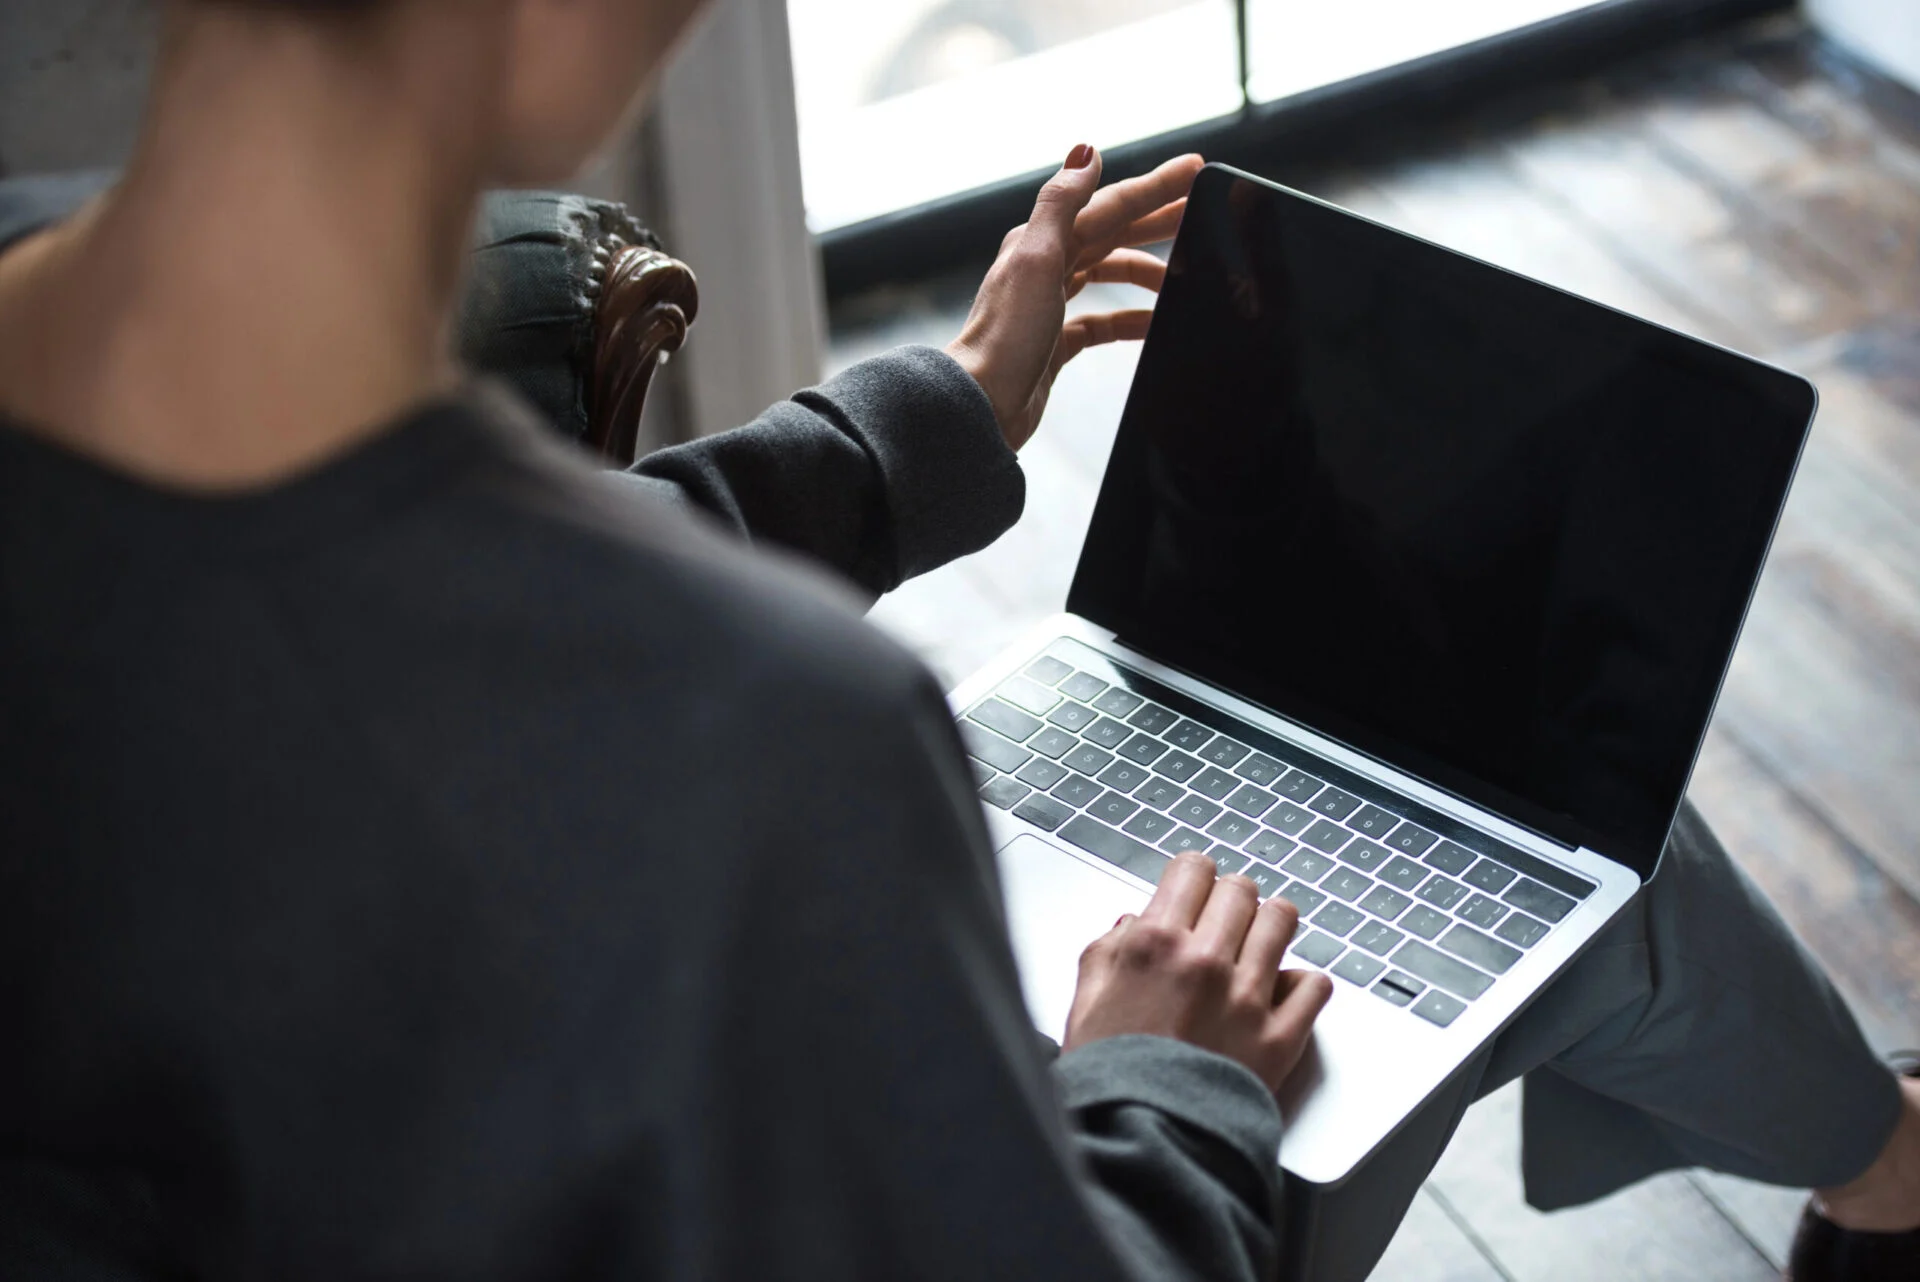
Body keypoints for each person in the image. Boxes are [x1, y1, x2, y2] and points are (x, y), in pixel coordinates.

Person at [0, 2, 1912, 1279]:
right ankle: (1893, 1175)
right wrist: (1168, 1080)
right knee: (1573, 867)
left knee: (1501, 849)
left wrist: (943, 410)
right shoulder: (772, 728)